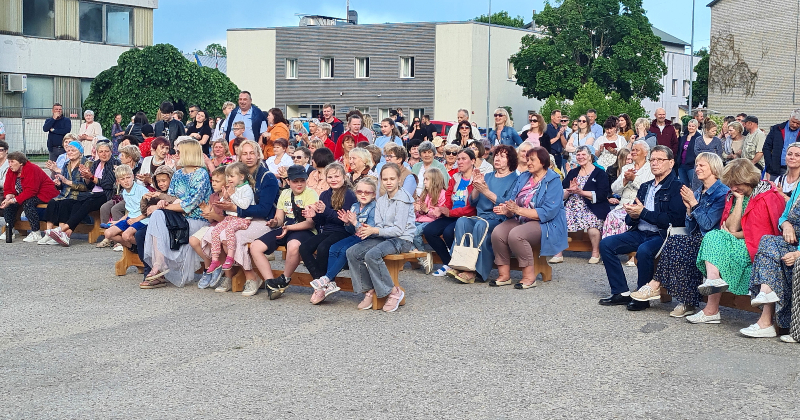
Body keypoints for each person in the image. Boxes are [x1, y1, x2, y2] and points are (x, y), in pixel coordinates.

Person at [629, 153, 729, 316]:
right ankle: (686, 302)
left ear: (714, 168)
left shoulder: (722, 193)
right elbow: (690, 227)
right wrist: (689, 211)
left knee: (680, 244)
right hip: (697, 238)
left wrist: (693, 204)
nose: (697, 169)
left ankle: (657, 287)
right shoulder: (698, 192)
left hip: (714, 243)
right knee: (679, 242)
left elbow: (708, 225)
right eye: (696, 165)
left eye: (702, 165)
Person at [687, 158, 785, 324]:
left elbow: (761, 234)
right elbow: (731, 228)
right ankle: (713, 281)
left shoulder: (766, 196)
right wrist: (739, 200)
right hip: (739, 243)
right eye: (731, 184)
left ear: (748, 179)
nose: (732, 188)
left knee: (716, 244)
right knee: (713, 237)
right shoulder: (733, 195)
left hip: (757, 248)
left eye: (737, 183)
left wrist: (736, 234)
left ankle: (711, 309)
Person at [597, 145, 685, 310]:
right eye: (652, 160)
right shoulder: (646, 186)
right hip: (639, 232)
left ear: (671, 163)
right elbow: (632, 219)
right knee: (606, 244)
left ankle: (642, 296)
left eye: (660, 160)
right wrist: (633, 215)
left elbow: (675, 220)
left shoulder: (677, 187)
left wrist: (643, 213)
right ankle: (620, 292)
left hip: (662, 235)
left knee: (644, 250)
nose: (655, 163)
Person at [490, 146, 568, 288]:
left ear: (543, 162)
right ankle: (504, 275)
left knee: (516, 235)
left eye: (532, 160)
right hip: (522, 218)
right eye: (527, 159)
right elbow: (513, 201)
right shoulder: (524, 177)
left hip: (546, 223)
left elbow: (548, 212)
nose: (528, 163)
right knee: (498, 232)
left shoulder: (553, 180)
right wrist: (507, 210)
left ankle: (528, 276)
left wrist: (518, 210)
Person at [139, 139, 212, 288]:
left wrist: (164, 208)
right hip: (178, 216)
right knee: (158, 216)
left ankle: (158, 268)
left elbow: (189, 205)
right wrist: (163, 203)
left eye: (178, 152)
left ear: (189, 154)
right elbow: (172, 197)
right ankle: (159, 264)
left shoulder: (201, 174)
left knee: (159, 215)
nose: (174, 154)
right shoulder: (178, 174)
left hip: (196, 219)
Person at [210, 140, 280, 295]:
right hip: (242, 219)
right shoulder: (238, 176)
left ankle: (251, 277)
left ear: (258, 154)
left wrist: (235, 209)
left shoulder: (267, 177)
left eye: (252, 153)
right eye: (245, 153)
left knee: (234, 236)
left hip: (265, 220)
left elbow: (264, 210)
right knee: (218, 234)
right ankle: (230, 274)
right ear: (239, 156)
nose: (249, 157)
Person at [345, 163, 415, 312]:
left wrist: (375, 230)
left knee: (372, 254)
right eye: (385, 179)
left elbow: (398, 230)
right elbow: (378, 224)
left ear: (399, 180)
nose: (388, 182)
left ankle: (393, 292)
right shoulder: (382, 200)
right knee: (352, 252)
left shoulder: (403, 199)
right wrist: (367, 228)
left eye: (392, 178)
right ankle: (369, 290)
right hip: (384, 236)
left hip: (402, 239)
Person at [448, 145, 519, 284]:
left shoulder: (515, 179)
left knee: (482, 225)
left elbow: (507, 204)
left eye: (502, 156)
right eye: (496, 155)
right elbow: (473, 201)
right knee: (462, 221)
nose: (497, 158)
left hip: (500, 218)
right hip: (481, 216)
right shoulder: (488, 176)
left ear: (510, 160)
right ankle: (459, 264)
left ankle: (474, 270)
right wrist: (476, 186)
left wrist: (486, 191)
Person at [249, 165, 317, 299]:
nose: (299, 184)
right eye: (295, 181)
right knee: (256, 247)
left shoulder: (311, 194)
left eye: (302, 181)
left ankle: (284, 279)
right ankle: (270, 283)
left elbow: (310, 222)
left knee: (293, 246)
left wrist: (288, 228)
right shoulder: (285, 194)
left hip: (304, 229)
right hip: (287, 227)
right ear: (289, 181)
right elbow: (279, 218)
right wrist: (274, 223)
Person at [748, 166, 800, 341]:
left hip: (798, 249)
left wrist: (799, 254)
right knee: (768, 241)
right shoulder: (799, 186)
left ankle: (766, 323)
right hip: (791, 241)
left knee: (772, 257)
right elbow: (784, 216)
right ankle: (766, 292)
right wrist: (786, 225)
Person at [310, 177, 379, 304]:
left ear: (374, 194)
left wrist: (354, 222)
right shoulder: (354, 206)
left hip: (367, 239)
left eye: (367, 192)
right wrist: (347, 223)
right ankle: (330, 282)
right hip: (355, 236)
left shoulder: (374, 208)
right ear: (356, 192)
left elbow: (369, 231)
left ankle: (327, 278)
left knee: (344, 251)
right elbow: (350, 231)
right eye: (359, 192)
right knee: (333, 248)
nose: (363, 195)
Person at [297, 162, 356, 291]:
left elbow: (343, 220)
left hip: (344, 232)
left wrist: (325, 211)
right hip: (328, 230)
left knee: (323, 247)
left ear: (344, 177)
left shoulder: (349, 195)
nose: (333, 180)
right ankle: (323, 282)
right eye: (330, 177)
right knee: (304, 247)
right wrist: (314, 215)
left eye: (337, 176)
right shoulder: (324, 194)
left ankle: (323, 283)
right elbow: (321, 221)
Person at [47, 143, 116, 246]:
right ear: (97, 153)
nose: (104, 154)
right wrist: (87, 178)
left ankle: (63, 229)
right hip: (92, 193)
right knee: (73, 203)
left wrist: (91, 177)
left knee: (87, 202)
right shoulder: (96, 163)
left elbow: (109, 184)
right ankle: (66, 234)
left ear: (111, 152)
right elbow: (88, 186)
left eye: (106, 151)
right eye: (101, 152)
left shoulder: (114, 163)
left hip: (106, 194)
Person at [550, 146, 611, 264]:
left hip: (592, 207)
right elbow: (560, 193)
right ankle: (558, 253)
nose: (580, 157)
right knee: (558, 219)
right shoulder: (573, 172)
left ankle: (595, 253)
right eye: (578, 155)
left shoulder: (599, 173)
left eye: (583, 154)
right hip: (572, 206)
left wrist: (581, 192)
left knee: (593, 226)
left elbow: (602, 194)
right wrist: (570, 190)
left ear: (589, 157)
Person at [424, 149, 478, 277]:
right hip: (452, 214)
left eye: (463, 159)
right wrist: (443, 209)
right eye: (458, 159)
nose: (459, 162)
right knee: (429, 231)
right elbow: (448, 197)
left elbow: (472, 208)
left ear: (473, 161)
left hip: (467, 216)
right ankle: (449, 263)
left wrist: (449, 212)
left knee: (449, 232)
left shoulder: (477, 178)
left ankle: (459, 264)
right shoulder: (455, 178)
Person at [205, 162, 255, 273]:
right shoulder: (233, 188)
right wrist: (224, 198)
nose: (229, 178)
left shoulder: (246, 189)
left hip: (243, 219)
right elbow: (225, 204)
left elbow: (244, 205)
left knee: (229, 230)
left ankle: (230, 257)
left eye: (231, 176)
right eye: (227, 176)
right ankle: (215, 259)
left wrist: (231, 195)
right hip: (230, 218)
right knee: (215, 231)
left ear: (241, 177)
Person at [1, 152, 59, 243]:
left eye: (12, 162)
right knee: (9, 205)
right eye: (9, 162)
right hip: (26, 194)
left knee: (27, 202)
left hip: (44, 194)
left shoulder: (32, 169)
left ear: (21, 163)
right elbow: (8, 187)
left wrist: (14, 200)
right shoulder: (10, 171)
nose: (10, 165)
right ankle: (10, 229)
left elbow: (31, 191)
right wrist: (8, 197)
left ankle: (36, 232)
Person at [602, 142, 653, 241]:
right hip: (623, 205)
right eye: (632, 150)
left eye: (636, 150)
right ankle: (609, 246)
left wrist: (634, 179)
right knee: (611, 214)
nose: (633, 152)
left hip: (639, 206)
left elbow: (648, 189)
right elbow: (614, 189)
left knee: (626, 219)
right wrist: (625, 180)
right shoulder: (627, 167)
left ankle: (625, 246)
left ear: (645, 153)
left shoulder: (650, 168)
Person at [101, 165, 149, 252]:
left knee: (126, 235)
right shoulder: (125, 192)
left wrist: (136, 219)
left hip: (143, 219)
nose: (126, 181)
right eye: (123, 179)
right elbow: (130, 211)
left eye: (128, 177)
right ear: (118, 181)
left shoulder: (142, 191)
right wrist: (118, 221)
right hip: (130, 218)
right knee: (108, 233)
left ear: (133, 177)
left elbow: (149, 210)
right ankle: (132, 248)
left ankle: (145, 249)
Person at [413, 167, 447, 272]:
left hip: (432, 222)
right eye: (424, 179)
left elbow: (440, 214)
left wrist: (427, 210)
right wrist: (418, 209)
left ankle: (422, 255)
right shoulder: (425, 194)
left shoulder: (442, 194)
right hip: (421, 219)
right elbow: (420, 212)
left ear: (435, 180)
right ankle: (420, 255)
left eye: (427, 179)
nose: (424, 182)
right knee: (405, 230)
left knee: (414, 233)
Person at [762, 109, 800, 180]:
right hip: (776, 168)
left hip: (796, 170)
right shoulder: (777, 129)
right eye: (793, 122)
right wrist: (769, 164)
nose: (795, 125)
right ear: (789, 118)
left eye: (798, 123)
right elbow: (766, 147)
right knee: (774, 190)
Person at [677, 119, 702, 188]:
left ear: (696, 127)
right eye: (689, 126)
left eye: (693, 126)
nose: (690, 127)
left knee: (694, 186)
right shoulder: (683, 137)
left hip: (692, 166)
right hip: (682, 165)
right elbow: (679, 150)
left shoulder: (699, 138)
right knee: (683, 186)